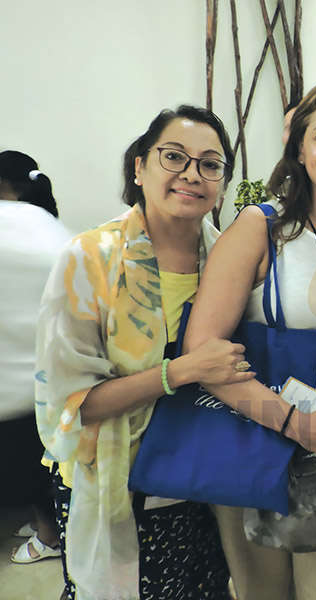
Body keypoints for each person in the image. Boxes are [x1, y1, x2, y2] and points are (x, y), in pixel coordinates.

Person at [183, 77, 316, 600]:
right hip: (260, 444)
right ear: (299, 146)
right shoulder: (262, 228)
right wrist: (291, 420)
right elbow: (202, 351)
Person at [34, 105, 247, 599]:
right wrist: (180, 372)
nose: (192, 175)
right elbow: (74, 403)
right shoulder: (89, 260)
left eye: (210, 164)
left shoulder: (229, 262)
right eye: (174, 157)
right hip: (116, 486)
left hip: (204, 486)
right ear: (139, 166)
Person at [1, 151, 70, 564]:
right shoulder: (52, 227)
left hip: (12, 386)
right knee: (46, 469)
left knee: (31, 475)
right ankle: (50, 527)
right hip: (52, 382)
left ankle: (50, 537)